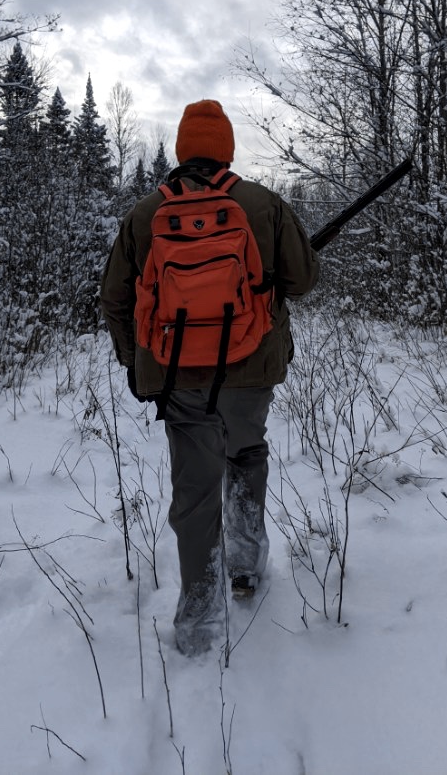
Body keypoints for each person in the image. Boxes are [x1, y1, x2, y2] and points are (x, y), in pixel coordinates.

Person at [100, 99, 319, 656]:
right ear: (227, 148)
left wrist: (135, 364)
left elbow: (115, 299)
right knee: (245, 456)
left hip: (177, 378)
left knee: (194, 493)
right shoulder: (263, 205)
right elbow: (302, 282)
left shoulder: (147, 214)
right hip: (250, 372)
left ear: (181, 148)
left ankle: (198, 624)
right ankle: (245, 568)